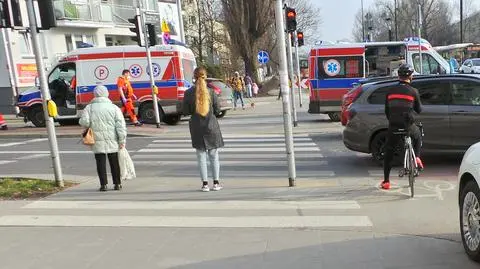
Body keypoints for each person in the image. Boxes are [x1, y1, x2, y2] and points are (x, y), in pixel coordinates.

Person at [381, 63, 423, 190]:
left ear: (398, 76)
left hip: (394, 126)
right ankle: (417, 157)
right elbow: (419, 110)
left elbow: (387, 111)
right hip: (408, 126)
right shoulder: (413, 91)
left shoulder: (390, 91)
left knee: (389, 151)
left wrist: (393, 120)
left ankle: (386, 181)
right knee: (418, 135)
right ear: (410, 77)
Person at [183, 67, 225, 192]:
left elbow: (185, 111)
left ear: (194, 77)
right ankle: (216, 183)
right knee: (214, 156)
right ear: (205, 77)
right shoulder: (211, 92)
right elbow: (217, 110)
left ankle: (205, 184)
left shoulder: (188, 93)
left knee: (201, 156)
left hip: (196, 127)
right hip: (211, 126)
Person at [80, 85, 127, 192]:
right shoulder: (114, 108)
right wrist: (122, 140)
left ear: (95, 94)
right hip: (113, 138)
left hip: (97, 139)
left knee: (100, 162)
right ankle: (117, 184)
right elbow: (121, 126)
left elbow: (85, 122)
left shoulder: (89, 108)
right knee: (114, 161)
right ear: (107, 94)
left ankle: (103, 185)